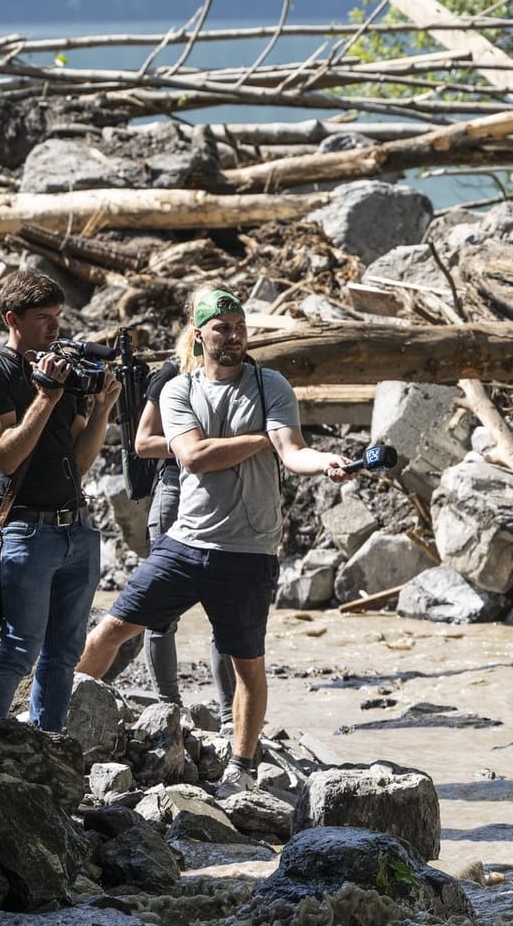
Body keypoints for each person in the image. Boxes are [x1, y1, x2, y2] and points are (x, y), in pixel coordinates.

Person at [74, 289, 349, 783]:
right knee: (110, 630)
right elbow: (194, 456)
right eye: (222, 327)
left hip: (250, 550)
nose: (235, 335)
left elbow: (293, 451)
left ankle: (240, 768)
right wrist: (260, 439)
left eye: (240, 325)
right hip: (186, 542)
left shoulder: (270, 385)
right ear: (199, 335)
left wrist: (323, 462)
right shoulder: (179, 389)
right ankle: (55, 720)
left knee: (248, 664)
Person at [0, 270, 119, 733]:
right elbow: (5, 456)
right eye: (43, 318)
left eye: (58, 317)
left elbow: (80, 460)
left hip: (75, 527)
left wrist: (103, 409)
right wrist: (46, 397)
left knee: (64, 654)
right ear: (13, 319)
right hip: (25, 530)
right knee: (18, 648)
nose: (55, 328)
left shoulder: (61, 373)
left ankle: (47, 745)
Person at [102, 324, 238, 721]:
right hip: (176, 490)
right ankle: (168, 707)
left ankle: (230, 715)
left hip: (223, 497)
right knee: (161, 612)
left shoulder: (241, 376)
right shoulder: (171, 374)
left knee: (226, 610)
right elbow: (143, 443)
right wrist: (192, 443)